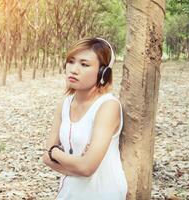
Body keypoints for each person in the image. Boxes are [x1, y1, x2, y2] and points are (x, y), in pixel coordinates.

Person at [42, 37, 128, 200]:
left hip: (103, 194)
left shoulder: (108, 106)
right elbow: (46, 157)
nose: (74, 70)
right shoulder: (64, 103)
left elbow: (87, 167)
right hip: (69, 192)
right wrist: (77, 165)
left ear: (103, 72)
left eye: (84, 64)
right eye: (71, 61)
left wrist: (56, 152)